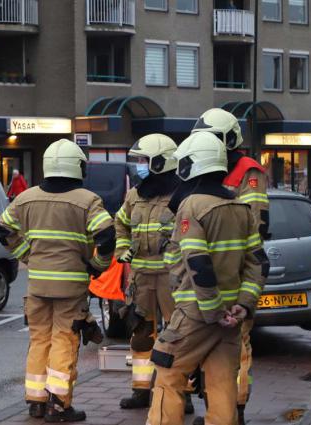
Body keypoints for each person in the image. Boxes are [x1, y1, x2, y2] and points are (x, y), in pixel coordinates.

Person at [147, 132, 268, 425]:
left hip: (196, 314)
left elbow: (198, 263)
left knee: (168, 374)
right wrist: (243, 304)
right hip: (231, 316)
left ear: (190, 166)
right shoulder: (240, 207)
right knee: (222, 383)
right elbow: (258, 263)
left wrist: (212, 311)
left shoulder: (192, 205)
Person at [0, 139, 112, 422]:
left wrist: (28, 255)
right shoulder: (87, 201)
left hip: (37, 286)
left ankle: (36, 401)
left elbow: (2, 230)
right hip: (70, 288)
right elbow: (107, 237)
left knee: (39, 341)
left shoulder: (26, 198)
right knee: (63, 341)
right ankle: (59, 405)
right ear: (78, 167)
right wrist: (97, 265)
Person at [191, 107, 270, 424]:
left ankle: (234, 410)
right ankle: (215, 408)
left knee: (237, 346)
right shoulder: (208, 168)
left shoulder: (249, 174)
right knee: (210, 346)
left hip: (236, 271)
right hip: (208, 269)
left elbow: (253, 225)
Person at [114, 134, 182, 410]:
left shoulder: (179, 196)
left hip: (170, 279)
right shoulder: (134, 195)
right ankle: (141, 390)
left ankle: (181, 391)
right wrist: (122, 250)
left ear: (160, 163)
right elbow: (120, 224)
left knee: (177, 335)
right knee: (141, 335)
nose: (140, 165)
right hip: (141, 279)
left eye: (144, 160)